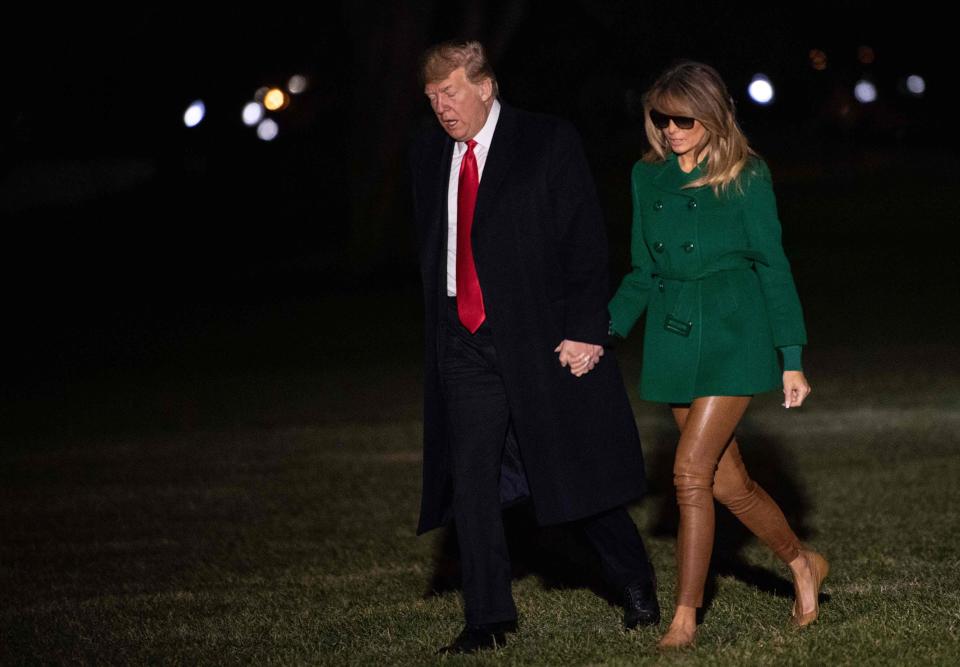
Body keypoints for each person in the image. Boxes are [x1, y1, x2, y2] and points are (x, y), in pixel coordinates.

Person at [410, 40, 659, 654]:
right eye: (432, 97)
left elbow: (583, 241)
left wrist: (585, 327)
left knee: (570, 474)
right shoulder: (426, 153)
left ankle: (636, 584)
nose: (442, 107)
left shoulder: (546, 141)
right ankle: (488, 620)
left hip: (541, 339)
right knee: (471, 480)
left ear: (486, 87)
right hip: (464, 341)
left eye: (452, 93)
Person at [606, 61, 828, 649]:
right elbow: (642, 270)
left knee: (688, 474)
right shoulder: (646, 177)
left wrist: (791, 355)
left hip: (735, 329)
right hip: (675, 335)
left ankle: (684, 617)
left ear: (712, 117)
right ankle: (803, 563)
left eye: (684, 119)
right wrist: (601, 331)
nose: (672, 129)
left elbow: (773, 266)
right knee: (730, 485)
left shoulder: (745, 174)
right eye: (662, 118)